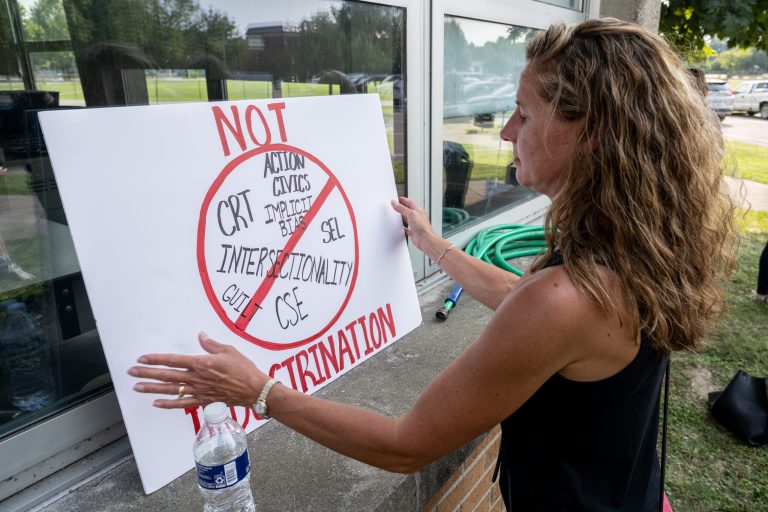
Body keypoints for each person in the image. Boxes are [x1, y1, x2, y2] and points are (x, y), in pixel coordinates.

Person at [130, 18, 737, 511]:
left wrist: (260, 391)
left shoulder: (565, 298)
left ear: (591, 134)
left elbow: (405, 447)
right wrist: (434, 244)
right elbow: (530, 307)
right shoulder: (638, 242)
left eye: (524, 113)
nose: (505, 132)